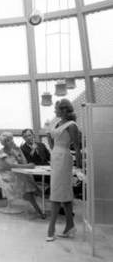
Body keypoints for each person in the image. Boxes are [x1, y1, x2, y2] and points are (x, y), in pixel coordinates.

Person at [46, 99, 81, 242]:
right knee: (64, 192)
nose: (55, 111)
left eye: (57, 109)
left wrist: (79, 167)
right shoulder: (57, 123)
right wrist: (49, 138)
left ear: (65, 110)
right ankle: (70, 225)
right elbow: (53, 145)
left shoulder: (72, 125)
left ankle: (51, 227)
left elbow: (77, 148)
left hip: (64, 158)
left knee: (56, 191)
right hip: (55, 156)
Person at [0, 132, 46, 219]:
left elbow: (22, 161)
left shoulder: (14, 150)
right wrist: (27, 166)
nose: (12, 141)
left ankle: (39, 206)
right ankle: (39, 206)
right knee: (25, 180)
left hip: (15, 173)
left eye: (11, 139)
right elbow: (10, 166)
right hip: (5, 175)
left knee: (26, 179)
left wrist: (17, 152)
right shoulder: (1, 153)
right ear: (4, 142)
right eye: (9, 140)